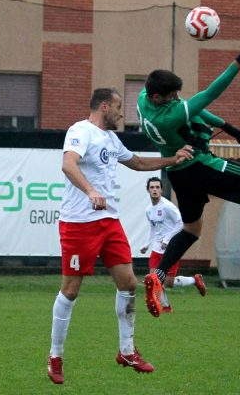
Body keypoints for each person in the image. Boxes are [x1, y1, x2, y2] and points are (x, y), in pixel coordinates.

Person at [47, 88, 193, 384]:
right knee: (71, 290)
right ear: (103, 107)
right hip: (79, 223)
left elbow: (138, 163)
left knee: (128, 283)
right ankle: (55, 355)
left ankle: (127, 350)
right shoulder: (81, 130)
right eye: (117, 106)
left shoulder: (112, 140)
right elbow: (68, 164)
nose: (121, 113)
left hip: (109, 221)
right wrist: (90, 191)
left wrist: (172, 160)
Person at [137, 44, 240, 317]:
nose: (176, 99)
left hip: (178, 172)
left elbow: (192, 108)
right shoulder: (170, 114)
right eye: (171, 96)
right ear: (157, 96)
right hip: (200, 166)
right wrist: (239, 62)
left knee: (191, 230)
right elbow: (209, 95)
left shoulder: (142, 99)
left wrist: (226, 126)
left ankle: (158, 275)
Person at [139, 176, 206, 313]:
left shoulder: (167, 206)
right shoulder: (148, 210)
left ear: (162, 190)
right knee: (154, 279)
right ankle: (166, 306)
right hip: (156, 250)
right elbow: (153, 228)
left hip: (170, 250)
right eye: (152, 187)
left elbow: (181, 223)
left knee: (169, 283)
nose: (155, 190)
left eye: (157, 187)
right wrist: (147, 244)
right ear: (148, 190)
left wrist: (167, 239)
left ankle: (195, 280)